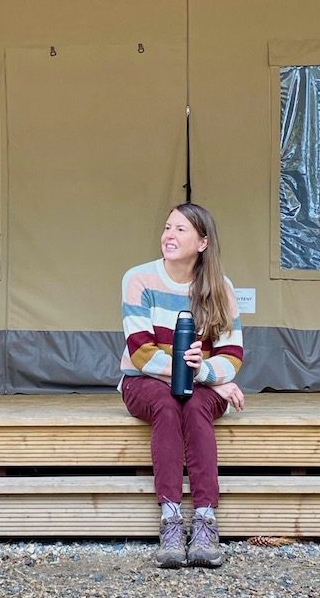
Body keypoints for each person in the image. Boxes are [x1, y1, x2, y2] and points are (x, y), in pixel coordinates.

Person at [119, 202, 244, 568]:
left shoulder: (221, 287)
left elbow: (233, 353)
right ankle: (170, 520)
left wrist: (206, 376)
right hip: (143, 381)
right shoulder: (139, 279)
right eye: (167, 227)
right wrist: (209, 380)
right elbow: (141, 353)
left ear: (202, 242)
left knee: (194, 405)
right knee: (168, 404)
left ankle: (205, 521)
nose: (169, 236)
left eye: (180, 230)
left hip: (203, 382)